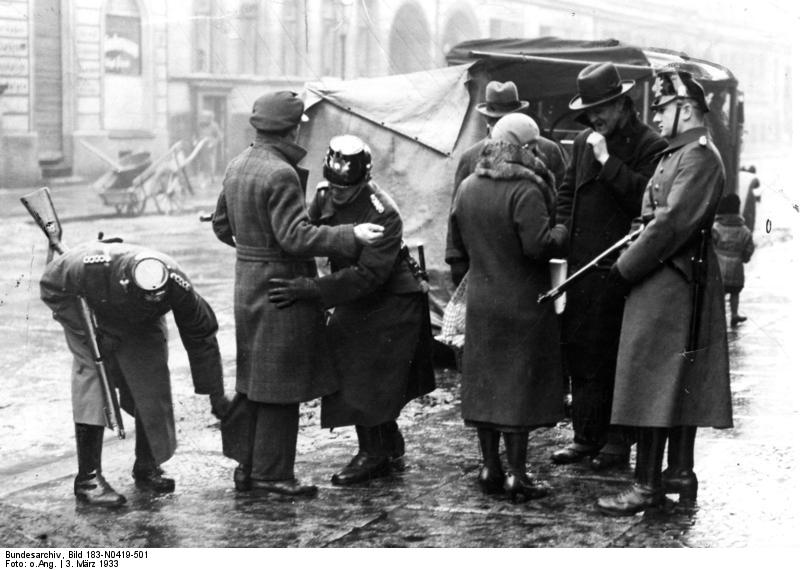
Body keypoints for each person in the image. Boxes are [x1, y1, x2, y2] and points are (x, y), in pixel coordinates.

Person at [212, 91, 384, 498]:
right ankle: (273, 475)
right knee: (279, 386)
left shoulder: (237, 165)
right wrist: (350, 234)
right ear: (293, 127)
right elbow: (295, 237)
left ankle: (248, 468)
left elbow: (221, 226)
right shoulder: (280, 173)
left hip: (248, 285)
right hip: (282, 288)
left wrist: (254, 251)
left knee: (255, 381)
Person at [596, 68, 731, 516]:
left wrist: (624, 269)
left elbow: (670, 224)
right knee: (663, 382)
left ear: (687, 110)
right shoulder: (676, 156)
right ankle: (675, 475)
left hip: (673, 281)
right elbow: (650, 220)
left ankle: (648, 485)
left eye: (663, 107)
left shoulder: (698, 157)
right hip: (664, 278)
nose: (656, 116)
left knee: (655, 381)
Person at [268, 135, 436, 485]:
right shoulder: (326, 193)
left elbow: (369, 275)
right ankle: (387, 443)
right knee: (355, 367)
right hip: (356, 294)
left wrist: (313, 290)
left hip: (392, 298)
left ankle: (372, 454)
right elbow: (308, 233)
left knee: (367, 373)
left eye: (348, 188)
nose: (339, 193)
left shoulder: (383, 211)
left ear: (364, 177)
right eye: (334, 185)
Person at [40, 241, 231, 508]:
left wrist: (216, 396)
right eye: (145, 299)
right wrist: (89, 334)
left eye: (157, 298)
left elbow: (201, 335)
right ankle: (88, 480)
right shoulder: (90, 267)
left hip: (142, 321)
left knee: (152, 382)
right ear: (126, 281)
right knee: (93, 375)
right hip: (91, 308)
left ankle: (147, 464)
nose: (150, 302)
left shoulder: (177, 284)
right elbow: (50, 286)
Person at [552, 62, 668, 471]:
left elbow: (647, 202)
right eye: (589, 111)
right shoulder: (584, 141)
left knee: (619, 356)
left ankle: (618, 442)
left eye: (601, 108)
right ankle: (586, 437)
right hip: (583, 269)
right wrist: (562, 233)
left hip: (623, 270)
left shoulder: (651, 146)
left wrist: (608, 162)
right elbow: (567, 192)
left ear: (623, 104)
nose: (593, 117)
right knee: (582, 353)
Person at [447, 113, 569, 502]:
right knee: (518, 389)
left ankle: (489, 468)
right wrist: (563, 232)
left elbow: (457, 249)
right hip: (523, 304)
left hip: (482, 302)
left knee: (485, 387)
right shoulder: (526, 190)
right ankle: (518, 474)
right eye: (535, 146)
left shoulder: (467, 187)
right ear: (525, 148)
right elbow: (538, 246)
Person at [445, 80, 567, 286]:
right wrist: (456, 259)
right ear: (486, 121)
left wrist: (558, 236)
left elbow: (562, 201)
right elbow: (456, 214)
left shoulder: (548, 151)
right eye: (495, 121)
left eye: (505, 121)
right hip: (487, 262)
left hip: (535, 260)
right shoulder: (471, 157)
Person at [712, 193, 755, 326]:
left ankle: (717, 317)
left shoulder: (716, 227)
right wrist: (745, 257)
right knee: (735, 292)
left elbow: (711, 243)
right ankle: (734, 314)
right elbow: (749, 246)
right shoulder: (743, 230)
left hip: (719, 265)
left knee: (719, 293)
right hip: (736, 265)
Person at [197, 110, 223, 185]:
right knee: (203, 163)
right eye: (203, 117)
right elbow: (199, 135)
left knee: (211, 162)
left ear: (210, 118)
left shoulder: (214, 125)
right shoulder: (201, 125)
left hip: (210, 147)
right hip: (202, 147)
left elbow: (220, 136)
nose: (204, 119)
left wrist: (213, 143)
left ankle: (211, 177)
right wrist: (197, 141)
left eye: (206, 117)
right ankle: (204, 178)